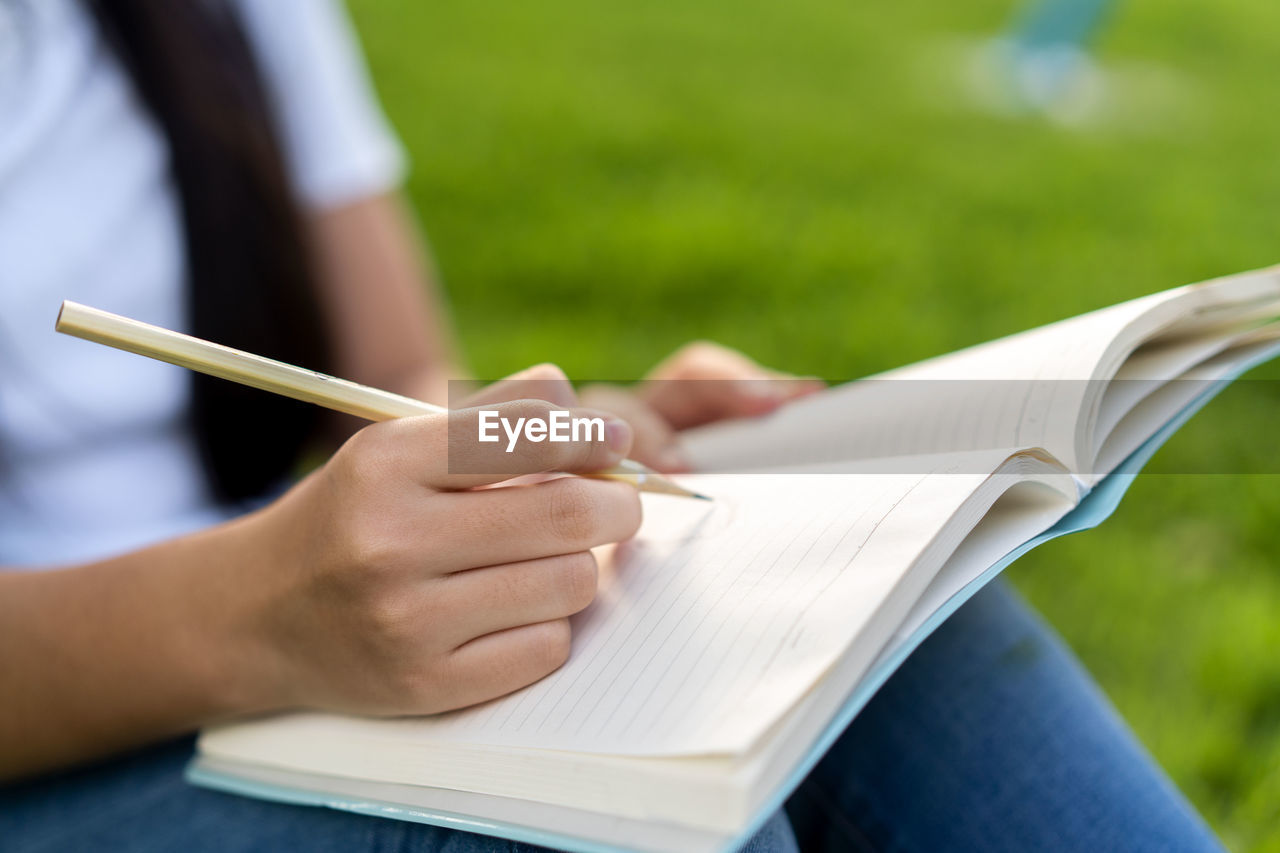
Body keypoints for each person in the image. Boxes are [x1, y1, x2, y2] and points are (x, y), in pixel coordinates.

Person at [0, 1, 1228, 850]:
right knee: (600, 826)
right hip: (78, 726)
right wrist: (251, 609)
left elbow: (392, 375)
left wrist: (544, 445)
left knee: (881, 627)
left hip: (278, 607)